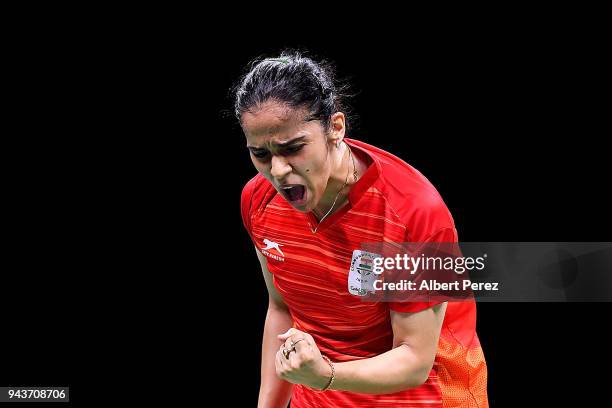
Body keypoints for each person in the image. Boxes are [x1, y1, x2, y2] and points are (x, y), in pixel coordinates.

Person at [236, 51, 488, 407]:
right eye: (260, 154)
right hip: (321, 395)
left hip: (423, 397)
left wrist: (326, 376)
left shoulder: (412, 211)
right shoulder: (258, 201)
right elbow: (282, 309)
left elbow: (415, 359)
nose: (277, 171)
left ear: (335, 128)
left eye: (293, 149)